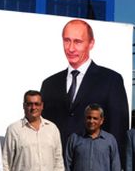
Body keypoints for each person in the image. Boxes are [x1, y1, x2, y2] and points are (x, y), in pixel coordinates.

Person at [40, 19, 129, 158]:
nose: (70, 48)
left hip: (94, 168)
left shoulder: (111, 80)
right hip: (55, 168)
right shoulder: (49, 84)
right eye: (67, 40)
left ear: (91, 43)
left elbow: (118, 129)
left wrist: (115, 168)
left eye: (78, 42)